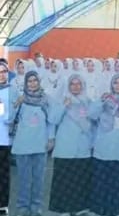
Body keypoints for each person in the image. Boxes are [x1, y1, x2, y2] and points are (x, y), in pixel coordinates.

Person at [88, 73, 119, 216]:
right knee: (104, 179)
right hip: (105, 146)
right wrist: (100, 101)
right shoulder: (105, 100)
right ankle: (102, 210)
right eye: (116, 82)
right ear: (111, 85)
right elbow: (91, 115)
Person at [48, 74, 93, 216]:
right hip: (65, 146)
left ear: (82, 85)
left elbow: (93, 123)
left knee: (80, 178)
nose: (75, 87)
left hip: (83, 146)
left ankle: (80, 208)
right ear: (68, 86)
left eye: (78, 84)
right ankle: (64, 209)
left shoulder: (88, 101)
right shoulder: (62, 100)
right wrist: (64, 106)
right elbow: (53, 119)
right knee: (65, 179)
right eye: (72, 84)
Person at [9, 70, 53, 216]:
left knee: (39, 179)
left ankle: (36, 206)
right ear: (25, 83)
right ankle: (22, 206)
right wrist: (16, 104)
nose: (32, 84)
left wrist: (51, 138)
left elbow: (50, 121)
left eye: (35, 80)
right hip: (22, 146)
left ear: (39, 82)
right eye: (29, 81)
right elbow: (9, 119)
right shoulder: (21, 99)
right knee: (24, 179)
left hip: (40, 145)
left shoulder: (45, 99)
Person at [0, 62, 11, 216]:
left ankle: (2, 205)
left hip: (3, 139)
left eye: (4, 71)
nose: (1, 75)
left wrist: (1, 108)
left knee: (3, 174)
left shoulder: (11, 91)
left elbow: (9, 118)